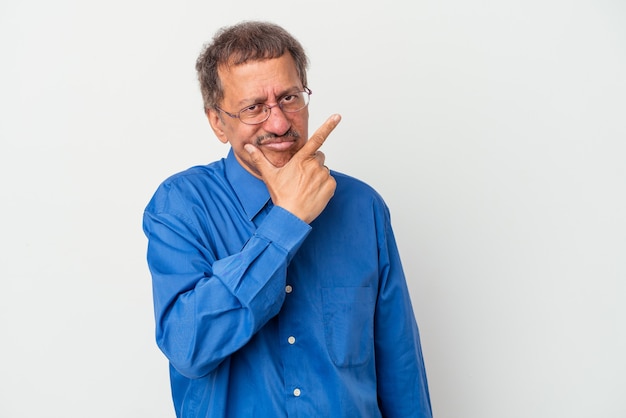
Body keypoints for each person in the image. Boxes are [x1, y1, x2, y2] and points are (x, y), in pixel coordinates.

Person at [143, 20, 432, 418]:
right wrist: (287, 221)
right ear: (217, 122)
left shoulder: (362, 207)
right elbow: (188, 346)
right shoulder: (179, 206)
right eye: (253, 108)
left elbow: (401, 370)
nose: (279, 123)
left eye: (289, 98)